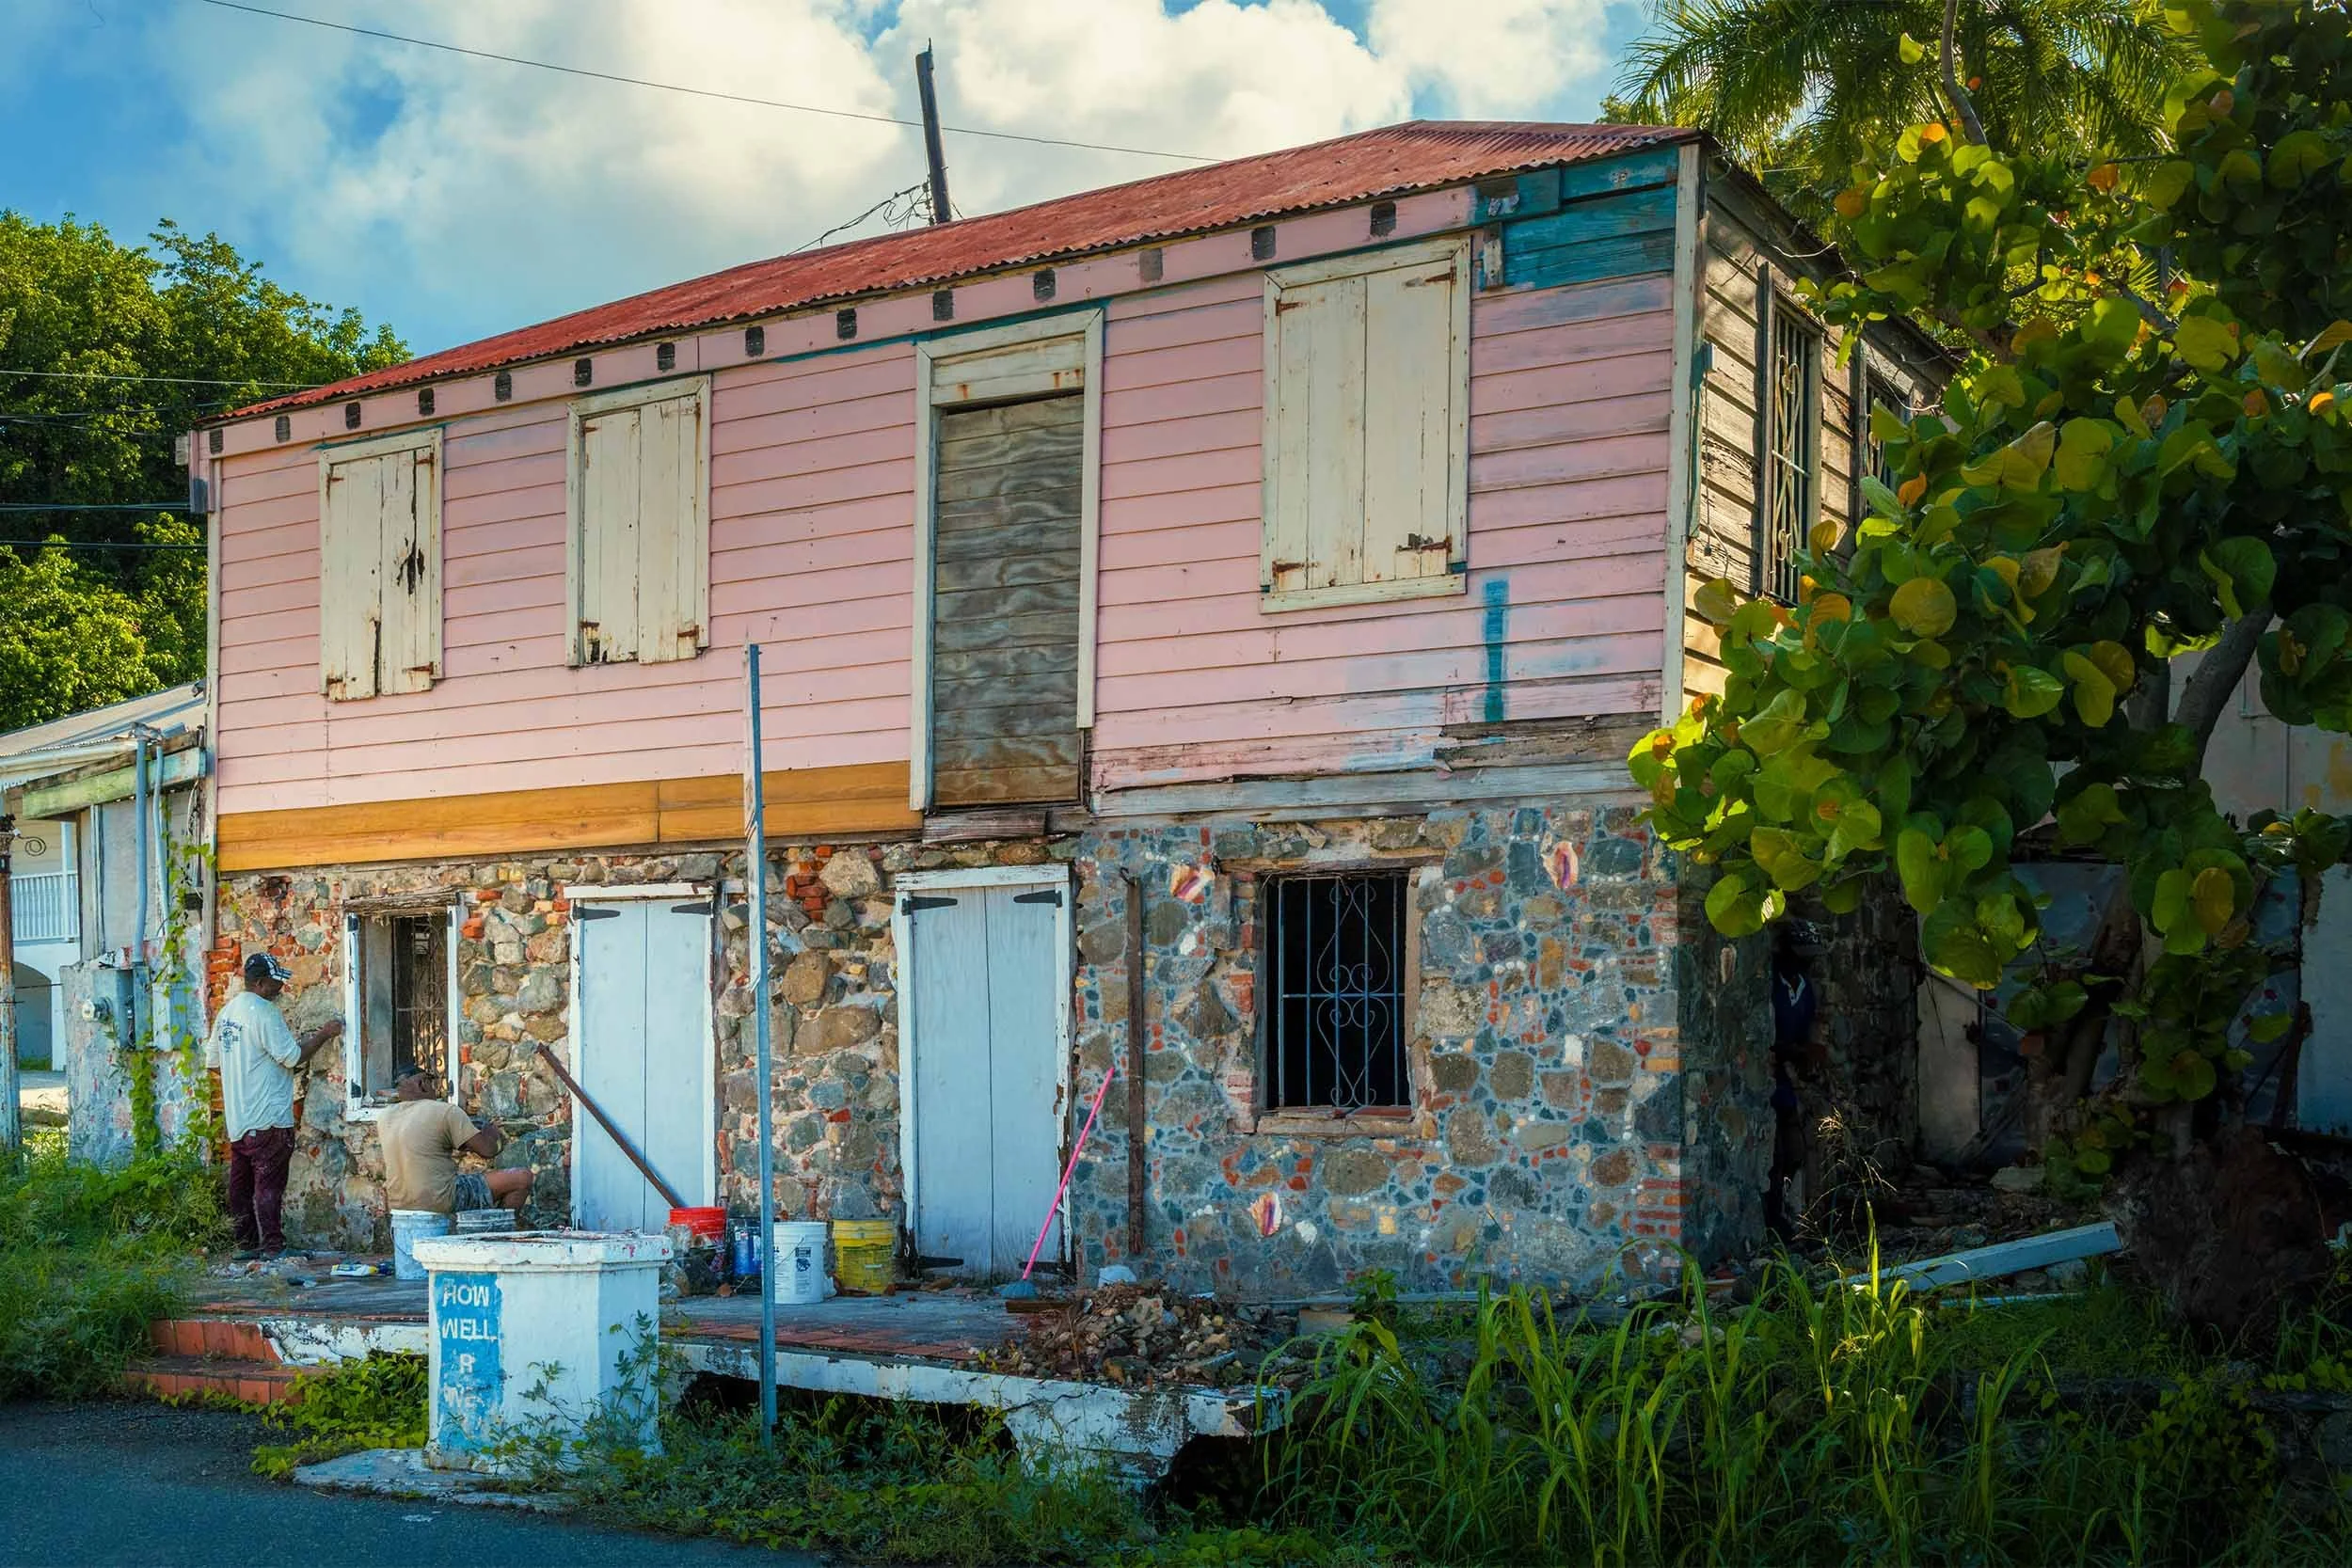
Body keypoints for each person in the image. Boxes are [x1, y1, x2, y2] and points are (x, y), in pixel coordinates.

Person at [208, 952, 343, 1259]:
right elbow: (294, 1057)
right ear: (259, 983)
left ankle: (245, 1246)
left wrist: (244, 1075)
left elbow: (214, 1062)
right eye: (274, 982)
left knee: (239, 1187)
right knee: (268, 1186)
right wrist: (324, 1033)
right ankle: (273, 1247)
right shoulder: (265, 1013)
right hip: (269, 1117)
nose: (279, 987)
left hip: (239, 1120)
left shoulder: (227, 1013)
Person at [378, 1069, 533, 1220]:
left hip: (399, 1206)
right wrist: (491, 1131)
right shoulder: (445, 1111)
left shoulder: (385, 1117)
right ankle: (501, 1231)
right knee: (522, 1178)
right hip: (439, 1201)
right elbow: (488, 1150)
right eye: (431, 1083)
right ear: (422, 1084)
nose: (435, 1089)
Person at [1764, 923, 1820, 1243]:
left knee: (1795, 1150)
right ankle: (1774, 1216)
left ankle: (1790, 1210)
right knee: (1776, 1154)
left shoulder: (1803, 987)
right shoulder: (1771, 983)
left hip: (1790, 1076)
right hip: (1773, 1075)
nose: (1806, 963)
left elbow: (1808, 1026)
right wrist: (1794, 1050)